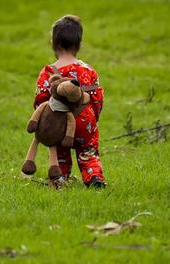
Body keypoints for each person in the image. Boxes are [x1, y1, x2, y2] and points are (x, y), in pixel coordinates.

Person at [34, 15, 106, 188]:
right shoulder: (88, 70)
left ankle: (59, 179)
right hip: (84, 121)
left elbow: (40, 101)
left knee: (60, 151)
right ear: (79, 45)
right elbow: (97, 97)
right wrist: (93, 118)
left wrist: (44, 122)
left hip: (59, 123)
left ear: (53, 44)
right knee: (88, 151)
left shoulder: (48, 72)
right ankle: (94, 177)